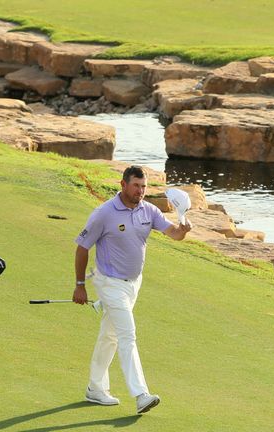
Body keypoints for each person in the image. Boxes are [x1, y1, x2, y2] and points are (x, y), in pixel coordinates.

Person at [73, 165, 192, 414]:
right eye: (136, 186)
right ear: (123, 185)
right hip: (109, 282)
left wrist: (182, 230)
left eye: (144, 186)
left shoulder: (148, 210)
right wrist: (80, 285)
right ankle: (141, 394)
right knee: (128, 335)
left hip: (133, 283)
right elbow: (82, 247)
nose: (140, 191)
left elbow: (173, 233)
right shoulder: (104, 213)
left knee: (111, 335)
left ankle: (95, 388)